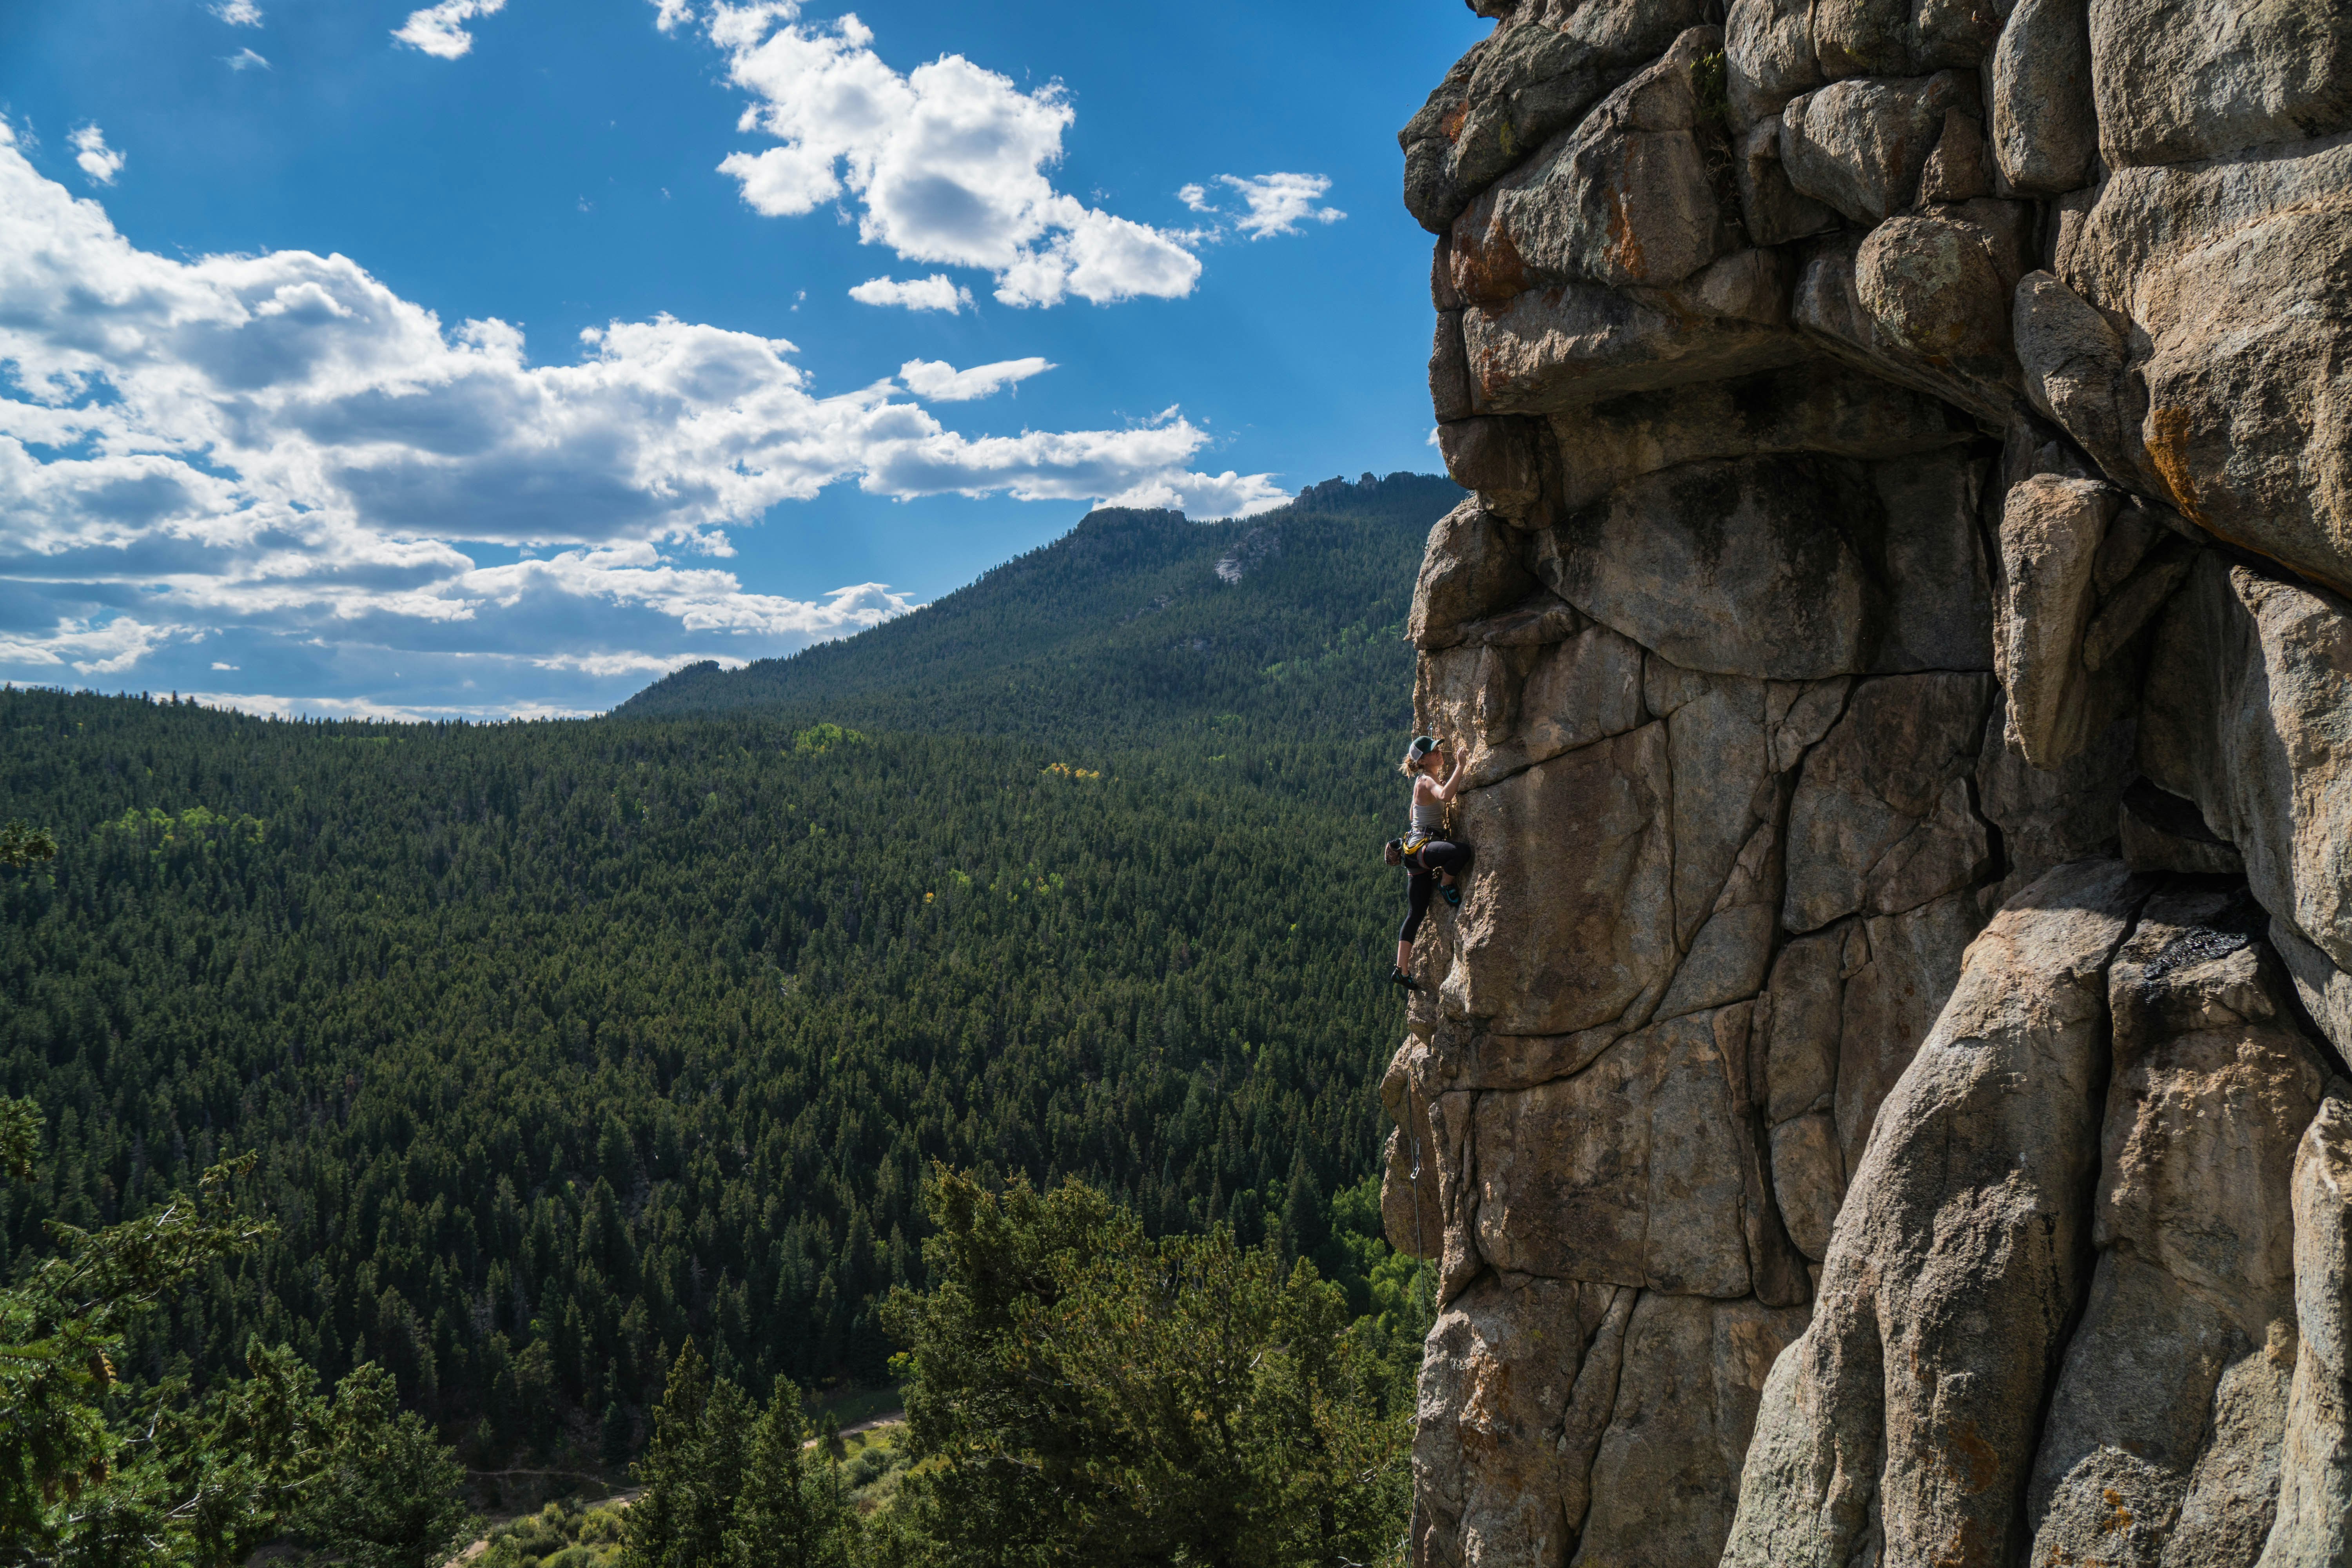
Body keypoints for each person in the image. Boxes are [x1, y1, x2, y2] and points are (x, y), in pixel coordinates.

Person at [1391, 735, 1471, 990]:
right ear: (1424, 760)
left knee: (1416, 913)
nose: (1440, 752)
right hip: (1424, 849)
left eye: (1438, 748)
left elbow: (1413, 813)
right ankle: (1447, 885)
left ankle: (1401, 970)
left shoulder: (1422, 781)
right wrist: (1461, 765)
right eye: (1434, 751)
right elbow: (1446, 796)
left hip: (1414, 853)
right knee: (1461, 853)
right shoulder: (1426, 780)